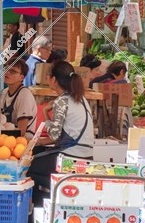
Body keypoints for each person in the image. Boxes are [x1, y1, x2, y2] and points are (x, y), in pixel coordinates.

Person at [27, 61, 95, 203]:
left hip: (69, 159)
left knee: (27, 167)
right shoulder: (81, 98)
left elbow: (54, 135)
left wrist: (45, 113)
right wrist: (40, 142)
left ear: (54, 80)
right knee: (38, 155)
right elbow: (65, 134)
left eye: (48, 77)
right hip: (87, 157)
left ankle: (45, 203)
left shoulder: (62, 101)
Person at [1, 59, 38, 138]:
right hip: (6, 137)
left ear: (21, 77)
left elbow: (21, 131)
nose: (7, 73)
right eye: (6, 69)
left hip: (23, 140)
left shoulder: (24, 95)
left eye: (13, 71)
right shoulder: (4, 92)